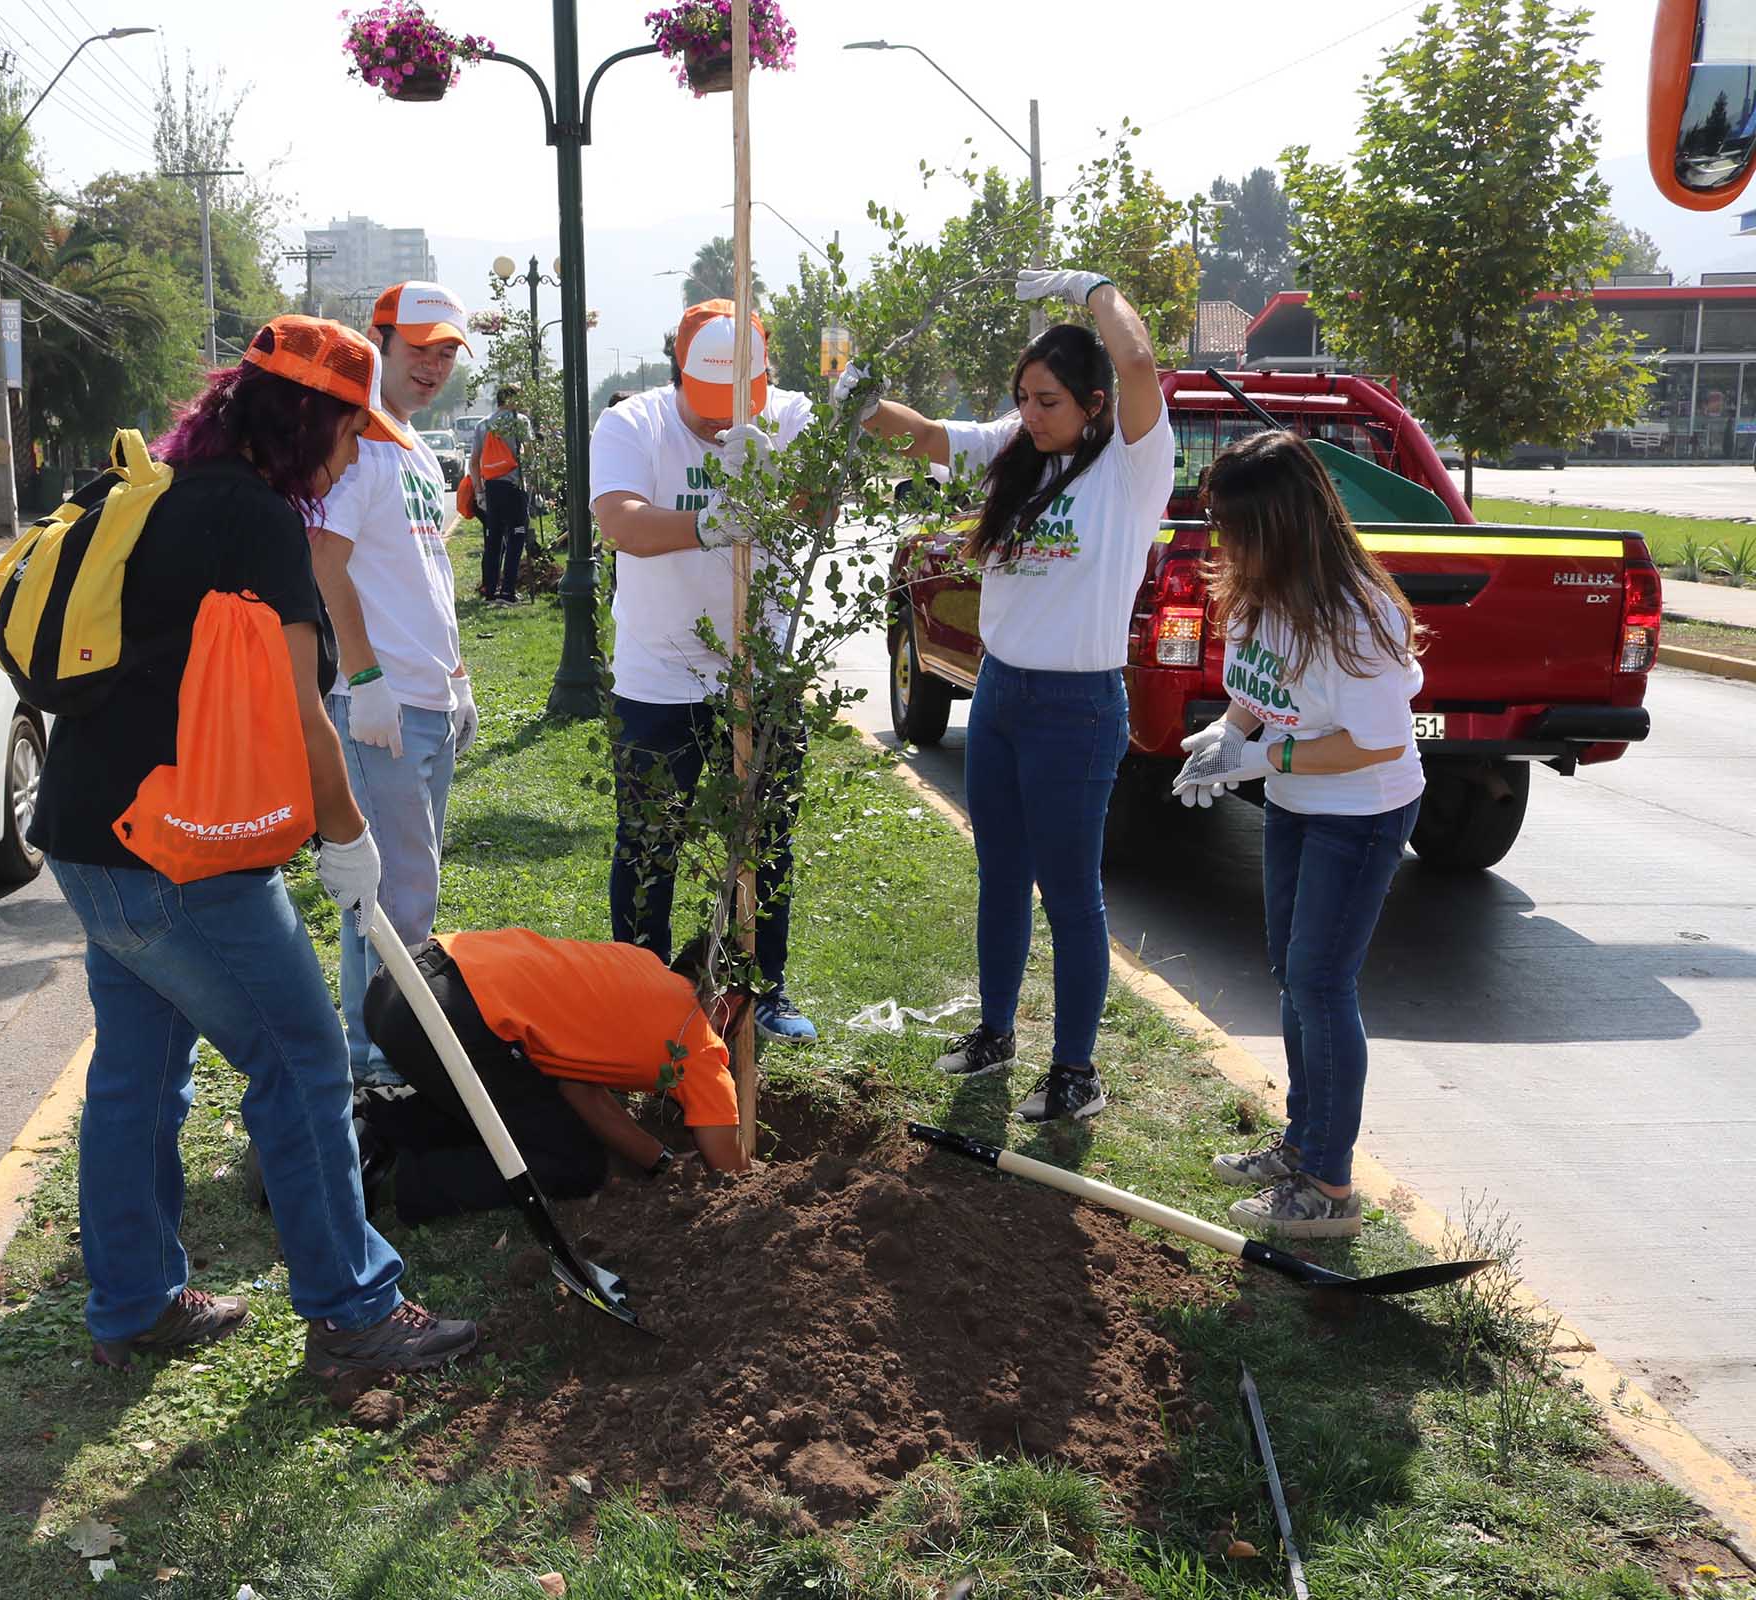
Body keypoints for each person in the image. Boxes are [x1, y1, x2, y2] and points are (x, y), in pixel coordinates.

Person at [28, 314, 477, 1378]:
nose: (353, 457)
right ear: (307, 422)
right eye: (349, 434)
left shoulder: (161, 494)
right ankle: (354, 1315)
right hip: (180, 852)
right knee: (304, 1059)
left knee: (139, 1071)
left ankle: (135, 1302)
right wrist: (350, 839)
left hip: (88, 843)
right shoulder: (259, 521)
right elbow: (302, 709)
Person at [836, 270, 1173, 1122]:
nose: (1031, 414)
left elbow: (1138, 360)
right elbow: (924, 436)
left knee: (1070, 894)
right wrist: (863, 403)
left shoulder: (1131, 468)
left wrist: (1092, 288)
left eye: (1049, 401)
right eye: (1022, 398)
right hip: (1000, 697)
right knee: (1001, 876)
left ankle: (1075, 1073)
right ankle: (996, 1032)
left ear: (1094, 404)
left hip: (1076, 707)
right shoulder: (1015, 453)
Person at [1173, 429, 1426, 1239]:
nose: (1221, 543)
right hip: (1296, 803)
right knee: (1295, 975)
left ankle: (1330, 1187)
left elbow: (1377, 743)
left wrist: (1262, 756)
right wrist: (1230, 732)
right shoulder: (1261, 590)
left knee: (1321, 983)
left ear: (1279, 527)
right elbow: (1257, 687)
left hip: (1362, 812)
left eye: (1232, 527)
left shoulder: (1357, 616)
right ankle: (1302, 1145)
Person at [589, 299, 822, 1045]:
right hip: (658, 678)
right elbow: (620, 520)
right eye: (710, 399)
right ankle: (641, 989)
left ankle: (763, 986)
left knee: (765, 839)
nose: (725, 418)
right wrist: (710, 522)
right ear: (678, 373)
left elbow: (824, 505)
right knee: (648, 841)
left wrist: (789, 474)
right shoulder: (633, 424)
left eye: (739, 399)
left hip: (759, 674)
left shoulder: (788, 416)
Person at [313, 282, 481, 1086]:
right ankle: (377, 1063)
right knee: (392, 900)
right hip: (382, 709)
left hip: (428, 702)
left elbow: (428, 571)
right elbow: (325, 560)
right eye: (419, 349)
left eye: (446, 352)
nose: (433, 365)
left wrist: (458, 676)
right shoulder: (362, 442)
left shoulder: (409, 444)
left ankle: (383, 1052)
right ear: (377, 342)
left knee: (405, 894)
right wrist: (366, 676)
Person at [359, 929, 753, 1222]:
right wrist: (751, 1175)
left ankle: (367, 1117)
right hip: (440, 1020)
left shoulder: (639, 966)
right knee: (574, 1164)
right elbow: (732, 1175)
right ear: (730, 1004)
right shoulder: (698, 1041)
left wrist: (661, 1162)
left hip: (402, 978)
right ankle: (396, 1181)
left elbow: (582, 1094)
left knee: (518, 1105)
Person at [472, 383, 534, 604]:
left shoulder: (483, 425)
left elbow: (474, 462)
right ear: (512, 400)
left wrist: (479, 492)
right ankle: (507, 591)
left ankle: (490, 591)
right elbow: (528, 456)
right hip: (514, 486)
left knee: (494, 540)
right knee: (516, 536)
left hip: (491, 488)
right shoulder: (520, 421)